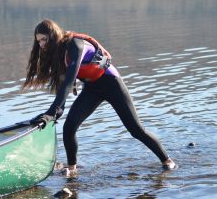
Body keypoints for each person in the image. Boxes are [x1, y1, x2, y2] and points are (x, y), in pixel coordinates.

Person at [22, 19, 176, 176]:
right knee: (69, 127)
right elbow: (64, 85)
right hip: (92, 89)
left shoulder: (75, 44)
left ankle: (167, 161)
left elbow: (69, 81)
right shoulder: (58, 54)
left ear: (53, 36)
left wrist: (52, 110)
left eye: (44, 39)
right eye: (38, 41)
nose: (41, 44)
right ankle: (72, 168)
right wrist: (56, 112)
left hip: (112, 84)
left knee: (136, 130)